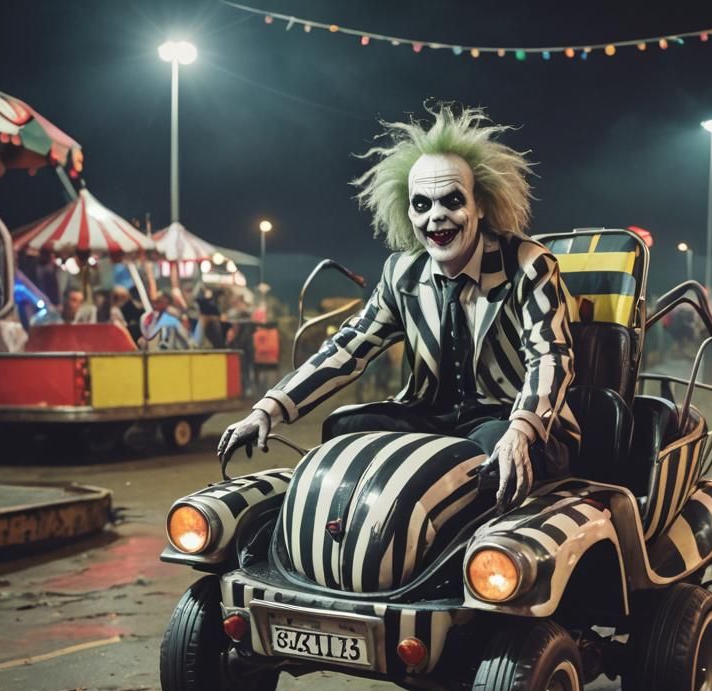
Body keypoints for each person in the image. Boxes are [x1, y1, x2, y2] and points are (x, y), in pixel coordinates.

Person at [218, 105, 579, 512]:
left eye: (452, 201)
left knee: (490, 453)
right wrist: (269, 409)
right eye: (421, 204)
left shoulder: (528, 264)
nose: (436, 216)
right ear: (408, 212)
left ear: (481, 204)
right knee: (346, 427)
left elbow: (550, 356)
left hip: (511, 419)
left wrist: (523, 427)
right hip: (433, 417)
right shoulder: (402, 273)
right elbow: (348, 348)